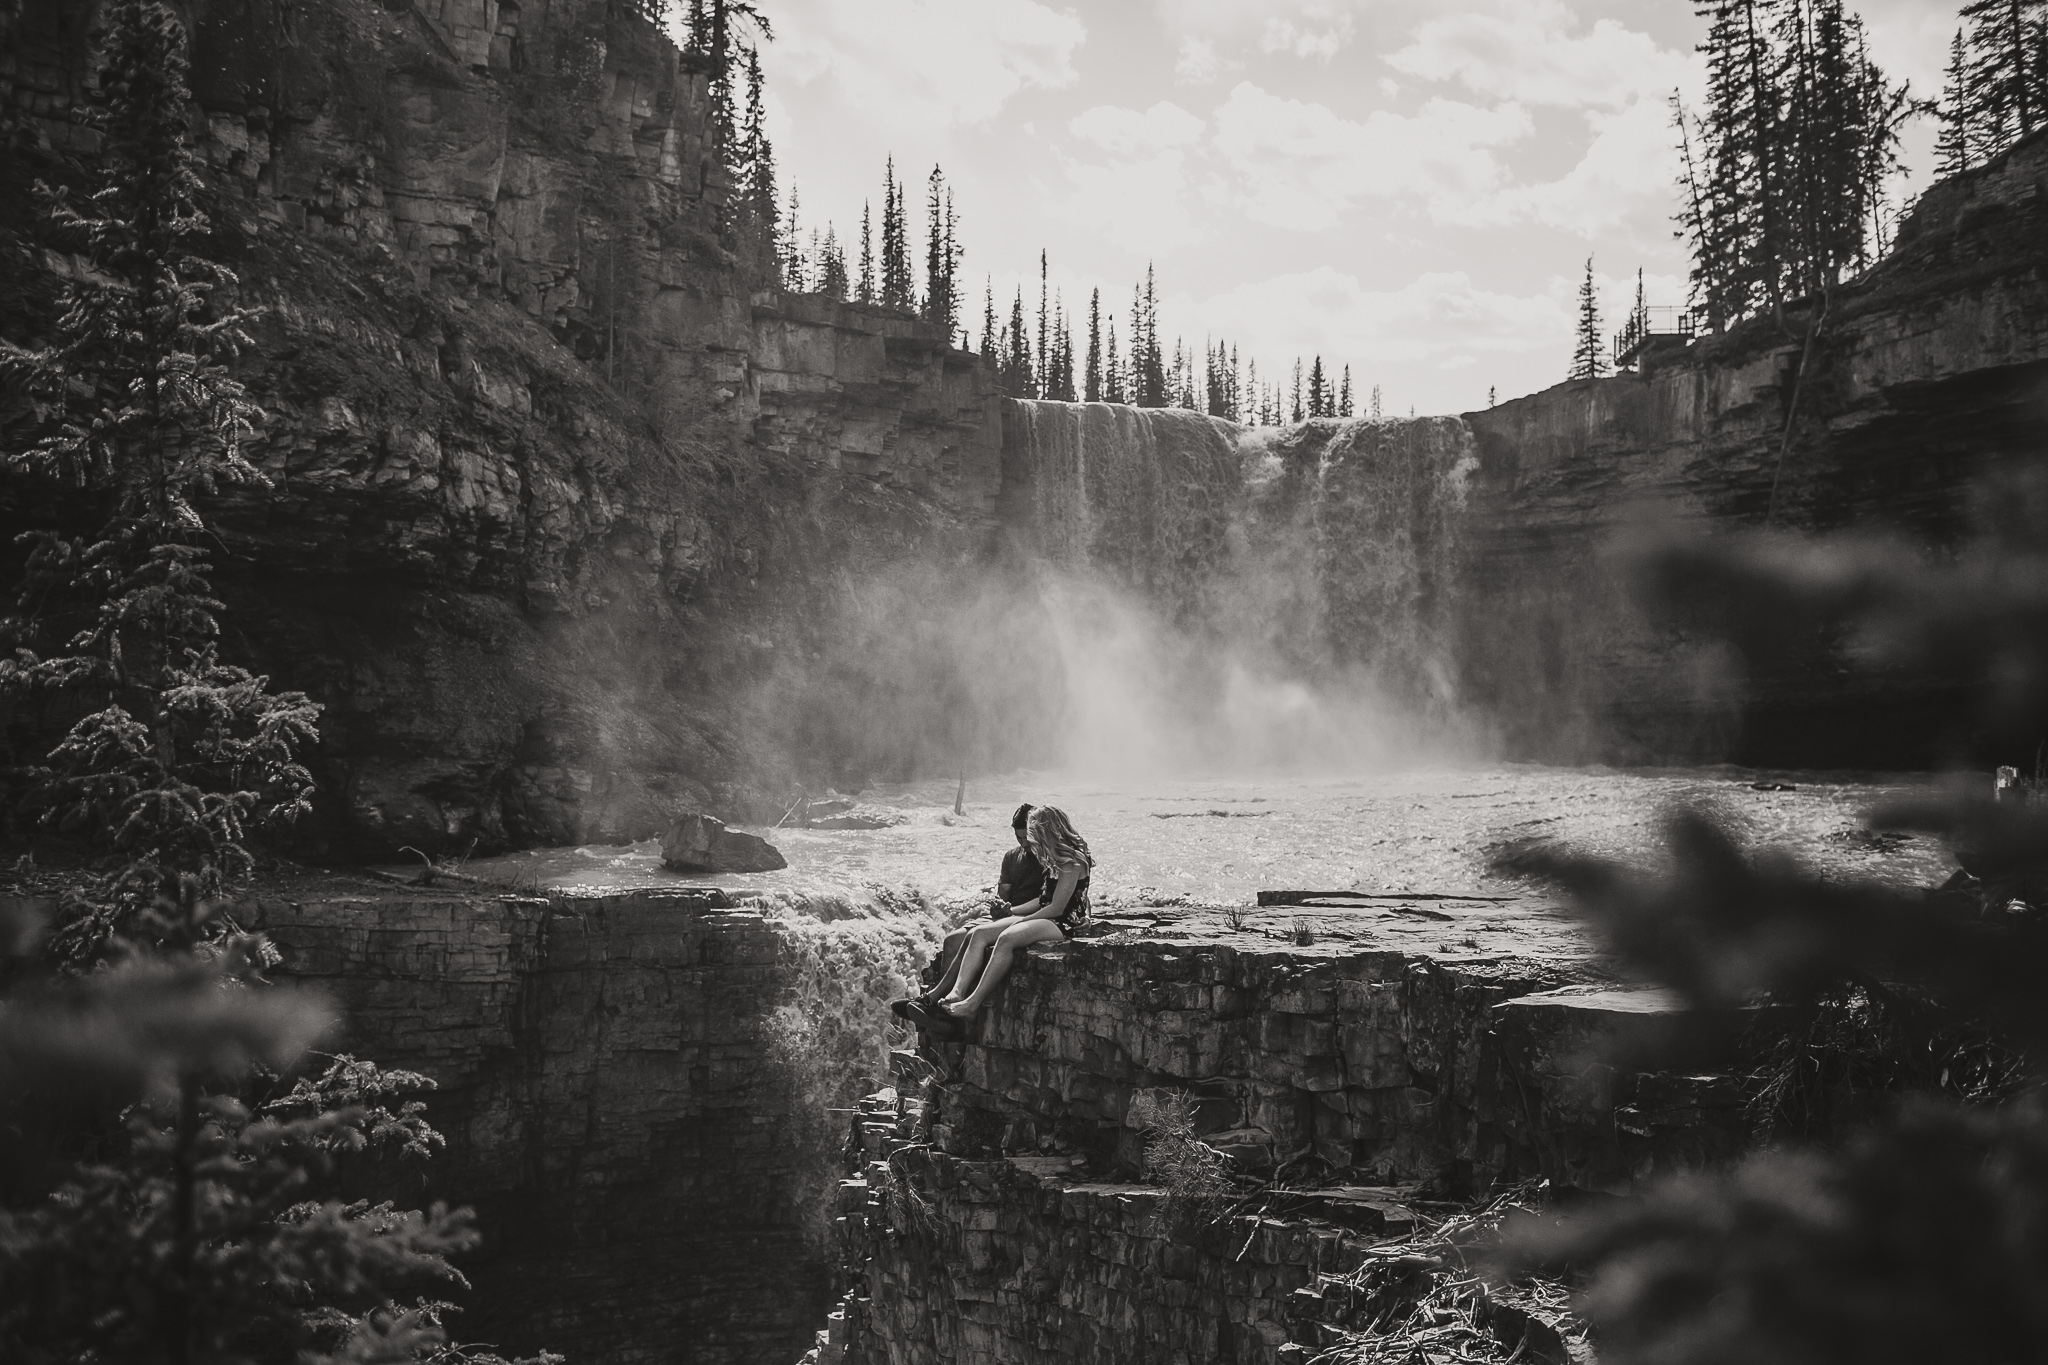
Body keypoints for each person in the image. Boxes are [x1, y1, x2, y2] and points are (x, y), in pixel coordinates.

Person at [941, 805, 1092, 1019]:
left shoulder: (1073, 860)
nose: (1032, 841)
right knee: (980, 933)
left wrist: (1021, 921)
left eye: (1035, 834)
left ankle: (972, 1004)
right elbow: (1042, 900)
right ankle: (957, 993)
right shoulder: (1053, 859)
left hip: (1062, 923)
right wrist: (1011, 912)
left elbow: (1057, 908)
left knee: (1007, 938)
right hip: (1046, 916)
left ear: (1048, 831)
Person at [912, 804, 1043, 1010]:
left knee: (978, 935)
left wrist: (1011, 911)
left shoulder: (1048, 858)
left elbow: (1054, 897)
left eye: (1027, 837)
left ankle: (939, 1005)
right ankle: (941, 1006)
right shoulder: (1011, 857)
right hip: (1008, 914)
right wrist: (999, 908)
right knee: (952, 940)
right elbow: (1004, 896)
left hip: (1029, 916)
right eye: (1019, 838)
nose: (1024, 843)